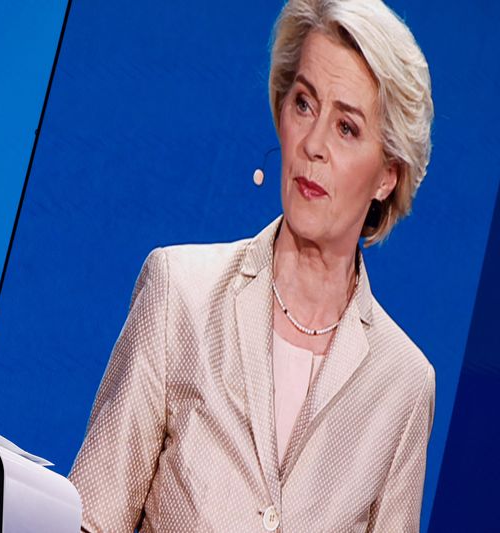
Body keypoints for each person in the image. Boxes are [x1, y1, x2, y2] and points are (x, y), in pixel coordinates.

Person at [68, 0, 435, 531]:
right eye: (304, 104)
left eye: (347, 128)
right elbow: (91, 520)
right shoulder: (180, 293)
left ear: (388, 176)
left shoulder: (404, 384)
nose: (313, 145)